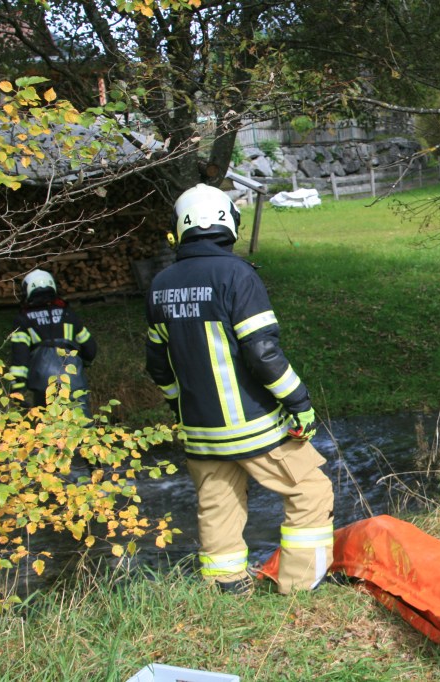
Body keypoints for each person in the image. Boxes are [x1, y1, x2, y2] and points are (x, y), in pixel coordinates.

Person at [145, 183, 334, 595]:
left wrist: (180, 409)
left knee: (219, 505)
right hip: (253, 425)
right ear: (228, 222)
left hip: (200, 430)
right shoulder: (236, 275)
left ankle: (226, 588)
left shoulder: (161, 284)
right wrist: (299, 402)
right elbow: (262, 353)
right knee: (310, 490)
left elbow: (158, 366)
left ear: (181, 227)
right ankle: (302, 586)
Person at [8, 268, 97, 418]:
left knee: (48, 422)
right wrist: (84, 363)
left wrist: (18, 389)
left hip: (42, 381)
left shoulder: (23, 319)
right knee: (82, 419)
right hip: (72, 377)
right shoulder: (68, 314)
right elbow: (90, 348)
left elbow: (20, 357)